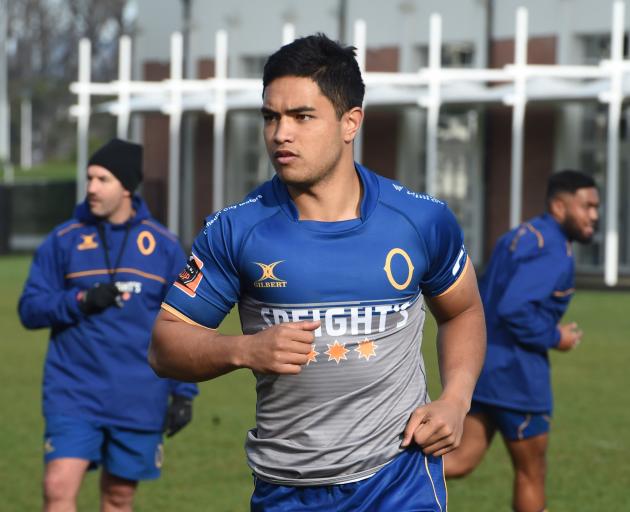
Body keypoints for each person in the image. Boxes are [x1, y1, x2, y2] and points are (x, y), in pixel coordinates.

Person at [149, 34, 485, 511]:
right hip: (288, 488)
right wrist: (243, 349)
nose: (280, 133)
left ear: (351, 122)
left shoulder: (420, 220)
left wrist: (456, 399)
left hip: (400, 479)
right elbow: (165, 346)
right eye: (271, 117)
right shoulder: (236, 229)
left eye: (302, 117)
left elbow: (463, 311)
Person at [18, 138, 198, 512]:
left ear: (127, 187)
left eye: (102, 179)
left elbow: (184, 322)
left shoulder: (165, 246)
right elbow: (30, 309)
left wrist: (183, 392)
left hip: (138, 397)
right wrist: (80, 301)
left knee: (118, 498)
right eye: (89, 178)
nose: (91, 188)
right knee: (57, 488)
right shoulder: (63, 240)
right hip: (73, 393)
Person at [444, 170, 600, 512]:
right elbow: (515, 308)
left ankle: (377, 483)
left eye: (596, 207)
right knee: (532, 472)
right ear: (559, 206)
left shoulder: (519, 235)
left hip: (482, 369)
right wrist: (556, 335)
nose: (594, 216)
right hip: (518, 378)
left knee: (458, 461)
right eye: (587, 206)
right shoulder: (554, 249)